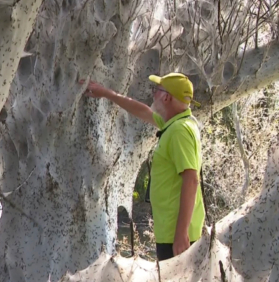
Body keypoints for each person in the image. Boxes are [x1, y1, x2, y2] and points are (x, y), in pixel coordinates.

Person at [80, 73, 205, 261]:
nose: (153, 94)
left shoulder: (179, 131)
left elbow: (191, 179)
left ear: (167, 97)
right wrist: (107, 93)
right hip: (171, 231)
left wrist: (181, 234)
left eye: (157, 90)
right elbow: (143, 111)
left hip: (177, 235)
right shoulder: (175, 123)